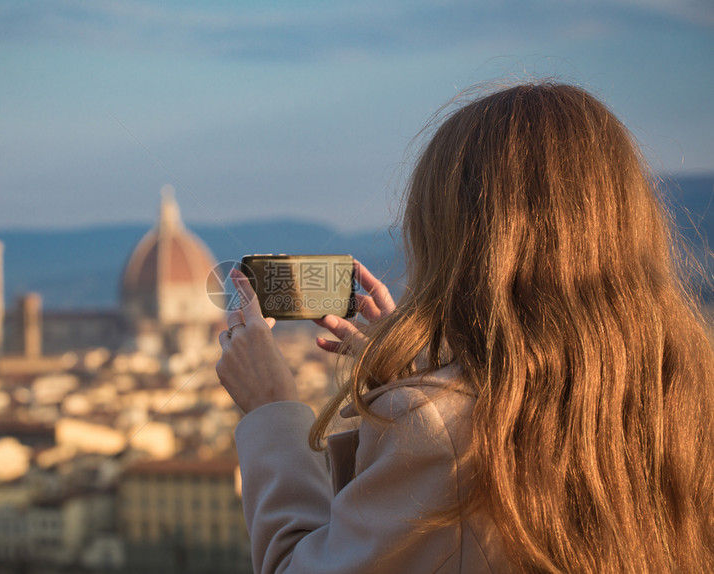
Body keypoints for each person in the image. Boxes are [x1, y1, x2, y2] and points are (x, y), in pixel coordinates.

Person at [216, 82, 714, 573]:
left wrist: (272, 409)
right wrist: (425, 376)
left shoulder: (438, 429)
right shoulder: (688, 397)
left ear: (453, 243)